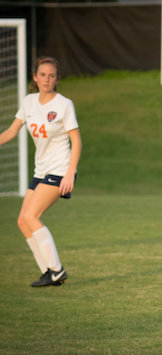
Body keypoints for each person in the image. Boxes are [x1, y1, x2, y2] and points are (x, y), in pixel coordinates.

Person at [0, 56, 82, 287]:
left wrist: (70, 173)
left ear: (57, 79)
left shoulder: (64, 104)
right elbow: (11, 131)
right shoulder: (29, 102)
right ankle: (48, 271)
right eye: (43, 75)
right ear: (35, 78)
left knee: (31, 217)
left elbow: (76, 141)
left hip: (60, 170)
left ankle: (56, 270)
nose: (47, 79)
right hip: (41, 171)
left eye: (52, 75)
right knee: (22, 221)